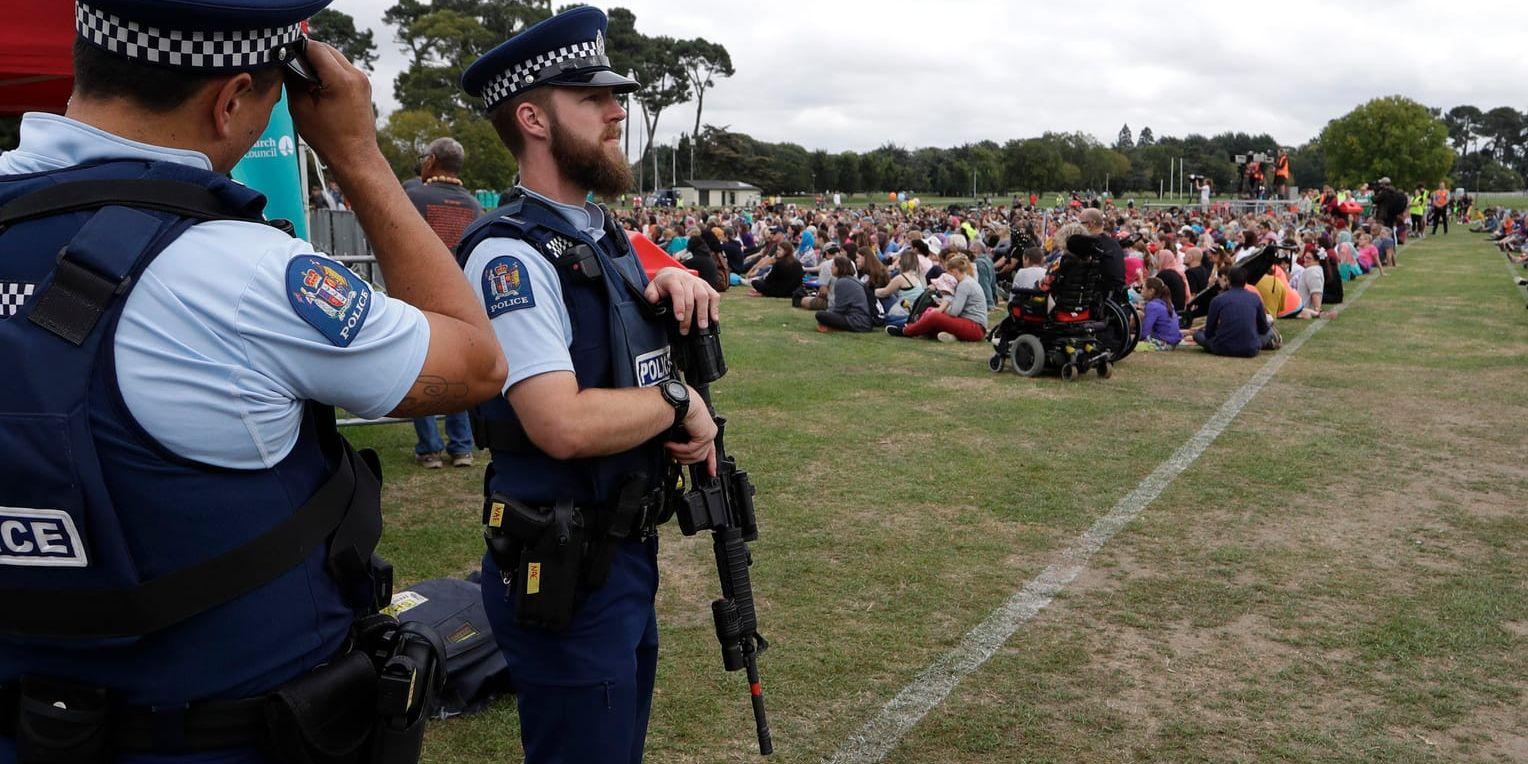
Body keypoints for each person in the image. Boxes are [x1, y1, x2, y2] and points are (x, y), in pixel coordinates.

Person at [0, 4, 507, 763]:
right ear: (229, 100)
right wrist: (357, 153)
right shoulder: (242, 275)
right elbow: (474, 360)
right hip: (227, 726)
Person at [457, 8, 721, 761]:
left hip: (617, 554)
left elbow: (614, 291)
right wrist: (677, 401)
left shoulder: (596, 232)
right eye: (592, 99)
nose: (617, 112)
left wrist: (664, 272)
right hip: (567, 564)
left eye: (616, 96)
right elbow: (558, 423)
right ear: (534, 118)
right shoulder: (510, 257)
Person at [407, 136, 485, 468]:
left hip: (421, 294)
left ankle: (429, 448)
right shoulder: (474, 205)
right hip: (462, 297)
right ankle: (462, 447)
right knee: (458, 370)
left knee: (420, 368)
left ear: (433, 160)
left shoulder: (412, 196)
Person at [888, 253, 988, 341]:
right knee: (932, 311)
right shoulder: (966, 282)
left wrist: (944, 306)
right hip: (972, 325)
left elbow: (954, 312)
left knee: (934, 316)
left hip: (975, 327)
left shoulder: (964, 285)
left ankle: (906, 331)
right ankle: (929, 333)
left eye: (948, 273)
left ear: (954, 272)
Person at [1193, 266, 1270, 357]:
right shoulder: (1254, 298)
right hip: (1249, 348)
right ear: (1245, 282)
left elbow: (1209, 332)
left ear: (1228, 281)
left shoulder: (1218, 300)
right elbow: (1264, 329)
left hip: (1222, 348)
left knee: (1197, 335)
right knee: (1269, 333)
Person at [815, 255, 875, 332]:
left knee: (820, 315)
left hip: (857, 321)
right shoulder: (852, 279)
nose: (831, 268)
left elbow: (839, 309)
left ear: (839, 267)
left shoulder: (842, 282)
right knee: (826, 315)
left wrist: (828, 315)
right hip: (864, 320)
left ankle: (832, 328)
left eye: (833, 265)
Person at [1139, 277, 1183, 350]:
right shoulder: (1167, 303)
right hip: (1172, 342)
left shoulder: (1152, 305)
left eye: (1143, 288)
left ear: (1151, 291)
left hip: (1162, 342)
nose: (1141, 291)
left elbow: (1144, 332)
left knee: (1130, 343)